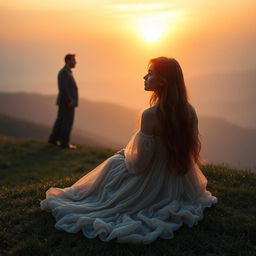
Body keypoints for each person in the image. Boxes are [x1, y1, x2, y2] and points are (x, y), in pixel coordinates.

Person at [41, 57, 217, 244]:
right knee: (118, 159)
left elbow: (140, 165)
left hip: (151, 180)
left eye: (150, 73)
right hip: (178, 178)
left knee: (114, 163)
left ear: (162, 81)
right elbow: (191, 150)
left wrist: (124, 156)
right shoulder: (190, 111)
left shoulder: (150, 115)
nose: (144, 77)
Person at [48, 54, 78, 149]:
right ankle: (64, 143)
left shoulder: (66, 72)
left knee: (60, 121)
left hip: (65, 102)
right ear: (68, 61)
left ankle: (53, 140)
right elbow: (63, 88)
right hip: (67, 103)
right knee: (67, 123)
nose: (75, 62)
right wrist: (70, 101)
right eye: (74, 60)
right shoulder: (64, 72)